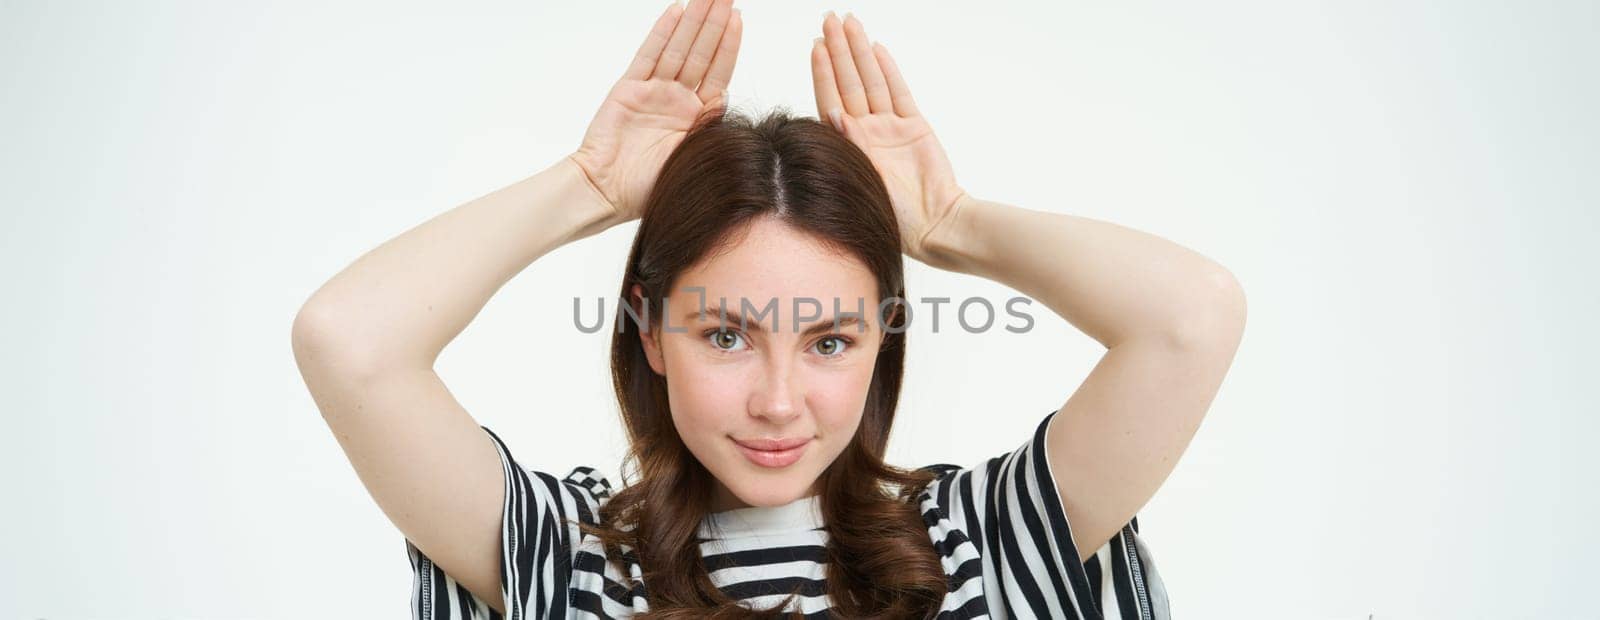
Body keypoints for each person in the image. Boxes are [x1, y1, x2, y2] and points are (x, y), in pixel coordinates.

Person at [291, 1, 1246, 618]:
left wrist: (953, 224)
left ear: (884, 339)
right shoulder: (565, 563)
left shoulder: (983, 541)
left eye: (831, 338)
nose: (780, 402)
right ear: (651, 331)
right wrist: (589, 185)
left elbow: (1190, 318)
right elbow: (351, 341)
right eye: (725, 335)